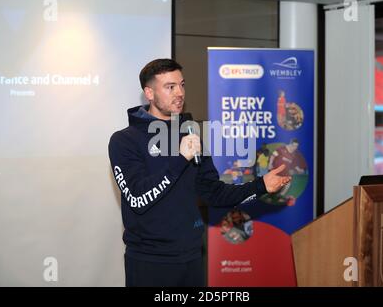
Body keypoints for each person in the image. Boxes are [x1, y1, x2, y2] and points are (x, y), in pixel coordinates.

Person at [108, 58, 291, 287]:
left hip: (192, 257)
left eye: (182, 85)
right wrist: (179, 159)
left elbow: (213, 192)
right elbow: (137, 199)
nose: (179, 93)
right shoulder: (124, 141)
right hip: (150, 261)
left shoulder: (189, 134)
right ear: (149, 93)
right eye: (170, 87)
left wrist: (260, 185)